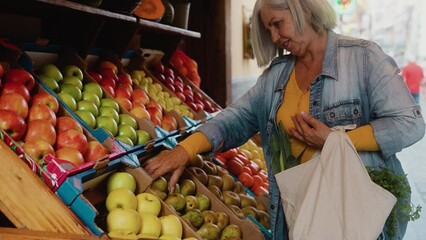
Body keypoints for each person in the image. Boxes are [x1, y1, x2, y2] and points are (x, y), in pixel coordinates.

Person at [143, 0, 425, 239]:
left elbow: (409, 123)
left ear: (303, 8)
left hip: (355, 215)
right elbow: (235, 118)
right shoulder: (276, 76)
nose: (275, 37)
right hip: (298, 216)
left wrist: (338, 140)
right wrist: (185, 149)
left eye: (278, 24)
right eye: (269, 30)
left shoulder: (363, 59)